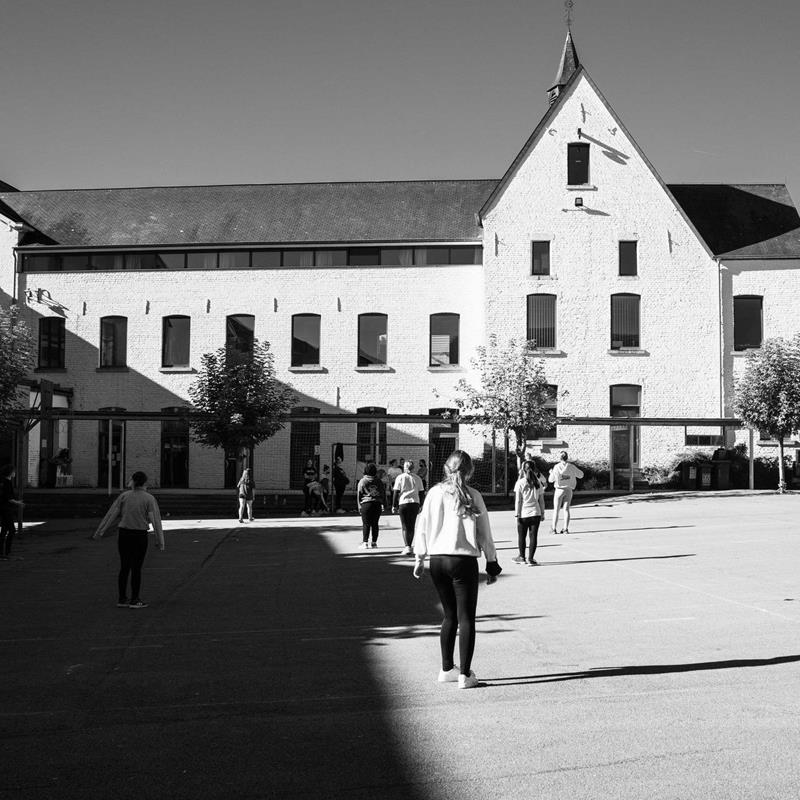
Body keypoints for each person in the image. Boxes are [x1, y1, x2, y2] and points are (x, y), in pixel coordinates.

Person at [412, 450, 501, 690]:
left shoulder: (434, 493)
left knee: (449, 615)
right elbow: (484, 533)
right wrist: (491, 563)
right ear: (469, 471)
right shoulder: (473, 496)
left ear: (445, 469)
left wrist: (420, 557)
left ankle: (446, 668)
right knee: (466, 617)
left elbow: (423, 525)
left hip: (438, 560)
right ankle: (465, 674)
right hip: (463, 561)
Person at [91, 471, 165, 608]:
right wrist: (159, 540)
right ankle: (135, 599)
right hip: (139, 535)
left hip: (124, 534)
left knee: (124, 567)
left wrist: (100, 532)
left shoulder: (124, 496)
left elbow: (111, 514)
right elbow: (155, 520)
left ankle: (122, 598)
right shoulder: (148, 498)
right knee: (136, 568)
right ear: (145, 482)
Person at [392, 460, 425, 556]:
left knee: (404, 526)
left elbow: (396, 491)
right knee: (412, 525)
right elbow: (422, 492)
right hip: (415, 503)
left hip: (404, 502)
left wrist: (394, 505)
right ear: (413, 468)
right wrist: (421, 504)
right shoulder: (418, 478)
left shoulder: (400, 477)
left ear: (404, 467)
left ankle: (407, 546)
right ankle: (410, 545)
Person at [513, 461, 543, 565]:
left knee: (522, 536)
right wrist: (542, 513)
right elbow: (541, 500)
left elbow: (518, 500)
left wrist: (517, 513)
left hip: (524, 513)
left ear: (523, 470)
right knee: (533, 536)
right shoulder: (538, 482)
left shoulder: (520, 482)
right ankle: (531, 558)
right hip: (536, 512)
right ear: (534, 469)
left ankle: (522, 557)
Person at [548, 451, 584, 534]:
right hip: (568, 489)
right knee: (566, 509)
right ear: (567, 457)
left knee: (556, 510)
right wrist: (572, 474)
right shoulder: (571, 466)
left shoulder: (556, 467)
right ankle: (565, 529)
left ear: (559, 458)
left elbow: (550, 480)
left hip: (559, 489)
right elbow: (581, 475)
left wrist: (551, 473)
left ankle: (553, 529)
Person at [356, 462, 384, 549]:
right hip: (377, 503)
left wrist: (359, 506)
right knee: (375, 523)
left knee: (366, 524)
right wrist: (383, 503)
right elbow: (383, 493)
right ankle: (374, 542)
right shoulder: (378, 481)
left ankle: (365, 542)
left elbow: (359, 494)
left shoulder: (363, 481)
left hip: (366, 503)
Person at [0, 465, 23, 561]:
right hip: (6, 509)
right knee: (12, 530)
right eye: (14, 471)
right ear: (10, 472)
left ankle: (2, 553)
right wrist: (18, 503)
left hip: (3, 509)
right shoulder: (7, 483)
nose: (15, 473)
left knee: (4, 531)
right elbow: (9, 498)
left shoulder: (3, 482)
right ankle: (7, 552)